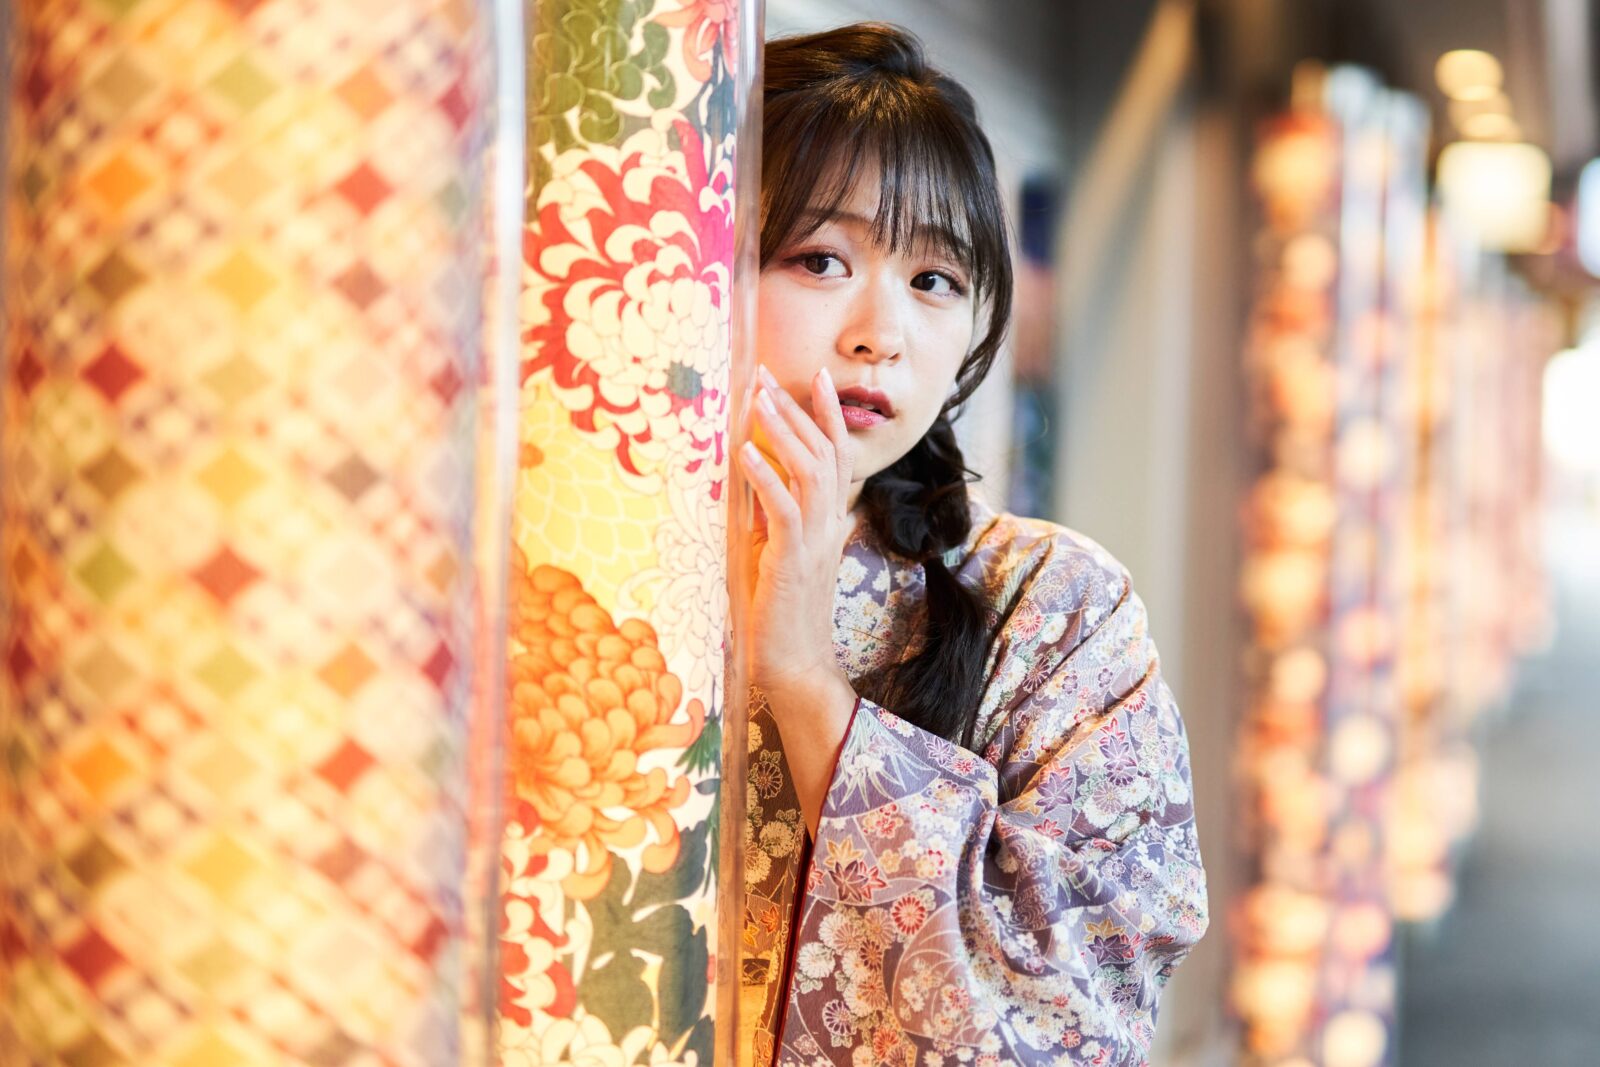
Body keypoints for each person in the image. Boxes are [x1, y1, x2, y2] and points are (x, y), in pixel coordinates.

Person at [734, 22, 1208, 1067]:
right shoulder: (585, 564)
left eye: (934, 280)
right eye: (819, 259)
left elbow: (1072, 1019)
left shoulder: (1057, 607)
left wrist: (806, 681)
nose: (880, 333)